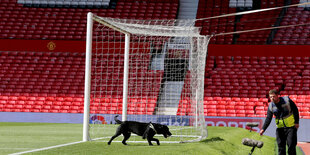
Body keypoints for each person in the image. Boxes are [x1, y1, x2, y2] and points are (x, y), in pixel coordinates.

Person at [259, 89, 299, 155]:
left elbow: (295, 110)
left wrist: (296, 122)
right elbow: (268, 118)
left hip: (291, 127)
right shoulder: (271, 106)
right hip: (280, 129)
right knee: (281, 147)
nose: (272, 98)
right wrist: (263, 129)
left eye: (273, 96)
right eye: (271, 97)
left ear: (277, 95)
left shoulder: (287, 100)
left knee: (291, 146)